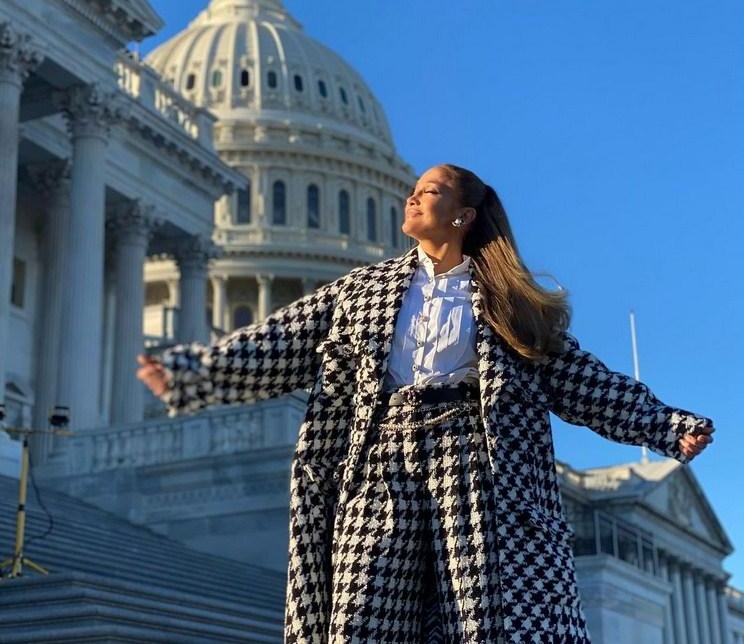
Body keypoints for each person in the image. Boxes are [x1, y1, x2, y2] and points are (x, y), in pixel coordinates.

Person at [137, 163, 714, 643]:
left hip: (474, 465)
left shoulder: (509, 305)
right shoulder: (362, 290)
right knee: (363, 609)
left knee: (481, 614)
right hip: (381, 461)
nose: (412, 197)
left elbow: (582, 381)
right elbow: (279, 341)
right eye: (412, 190)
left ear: (462, 215)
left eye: (429, 191)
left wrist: (663, 425)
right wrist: (192, 373)